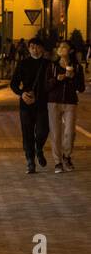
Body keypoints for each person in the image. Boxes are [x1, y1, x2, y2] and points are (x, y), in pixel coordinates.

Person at [10, 37, 53, 175]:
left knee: (43, 131)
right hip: (26, 104)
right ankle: (30, 161)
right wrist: (22, 94)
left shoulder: (48, 64)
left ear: (42, 48)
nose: (34, 49)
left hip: (42, 104)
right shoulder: (23, 64)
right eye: (31, 46)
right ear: (28, 49)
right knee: (27, 133)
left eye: (37, 46)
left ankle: (39, 148)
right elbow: (14, 84)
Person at [47, 39, 85, 174]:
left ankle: (67, 156)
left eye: (64, 46)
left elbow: (81, 88)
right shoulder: (52, 66)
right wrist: (56, 79)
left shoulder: (77, 67)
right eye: (60, 46)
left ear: (70, 50)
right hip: (54, 102)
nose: (61, 48)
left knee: (70, 132)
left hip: (70, 102)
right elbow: (47, 86)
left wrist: (73, 76)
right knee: (56, 133)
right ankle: (57, 162)